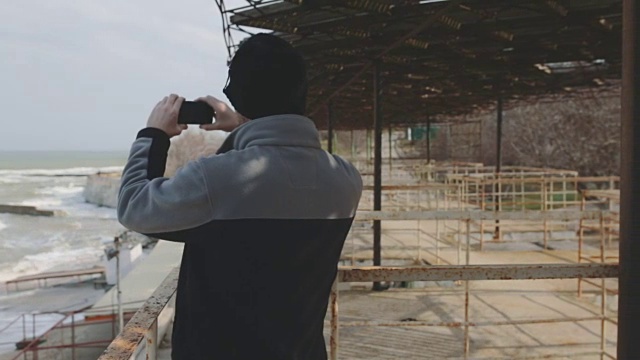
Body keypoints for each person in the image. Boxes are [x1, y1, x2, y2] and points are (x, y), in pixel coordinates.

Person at [117, 33, 363, 359]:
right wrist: (243, 126)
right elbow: (268, 176)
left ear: (237, 97)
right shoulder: (346, 180)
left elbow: (135, 207)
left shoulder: (214, 180)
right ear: (302, 93)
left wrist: (154, 135)